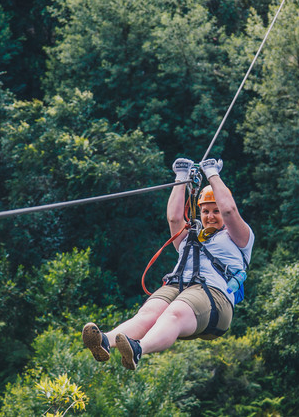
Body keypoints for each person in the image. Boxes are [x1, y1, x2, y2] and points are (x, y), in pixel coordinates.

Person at [82, 158, 254, 370]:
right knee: (149, 313)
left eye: (215, 211)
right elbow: (174, 220)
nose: (210, 216)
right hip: (180, 286)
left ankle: (138, 349)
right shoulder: (191, 235)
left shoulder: (240, 237)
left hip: (214, 296)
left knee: (175, 312)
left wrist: (212, 174)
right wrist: (181, 177)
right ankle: (105, 341)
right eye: (206, 211)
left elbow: (230, 212)